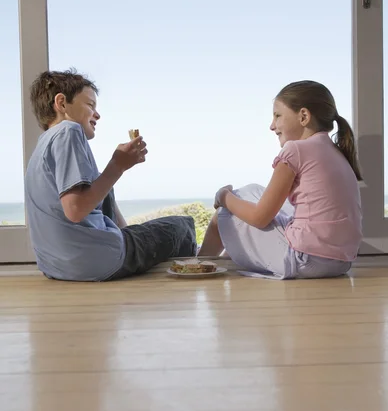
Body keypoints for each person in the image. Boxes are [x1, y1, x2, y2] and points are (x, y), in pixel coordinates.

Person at [25, 69, 196, 281]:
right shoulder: (68, 131)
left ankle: (128, 246)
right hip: (94, 260)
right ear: (61, 103)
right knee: (183, 226)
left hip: (56, 266)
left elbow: (95, 198)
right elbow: (75, 210)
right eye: (90, 105)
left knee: (100, 186)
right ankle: (202, 271)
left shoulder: (42, 146)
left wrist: (131, 235)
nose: (97, 114)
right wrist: (118, 165)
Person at [198, 80, 363, 279]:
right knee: (251, 191)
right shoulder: (335, 152)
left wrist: (223, 196)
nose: (272, 125)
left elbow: (260, 217)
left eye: (277, 116)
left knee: (225, 214)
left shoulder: (295, 150)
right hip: (341, 261)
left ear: (303, 116)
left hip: (305, 259)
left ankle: (198, 265)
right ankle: (227, 258)